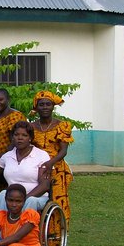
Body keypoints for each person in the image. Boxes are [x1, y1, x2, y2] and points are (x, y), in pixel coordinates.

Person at [0, 121, 51, 214]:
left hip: (36, 197)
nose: (20, 138)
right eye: (16, 135)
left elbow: (45, 185)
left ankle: (25, 223)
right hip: (13, 198)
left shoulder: (41, 155)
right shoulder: (7, 156)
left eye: (24, 135)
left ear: (30, 138)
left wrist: (24, 199)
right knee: (2, 194)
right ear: (12, 137)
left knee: (31, 201)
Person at [32, 90, 74, 222]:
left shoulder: (62, 126)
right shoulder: (31, 127)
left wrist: (50, 163)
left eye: (48, 104)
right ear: (36, 107)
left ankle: (57, 232)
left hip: (57, 169)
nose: (45, 107)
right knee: (37, 199)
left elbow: (63, 151)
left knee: (58, 200)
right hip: (37, 168)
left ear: (53, 106)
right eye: (41, 104)